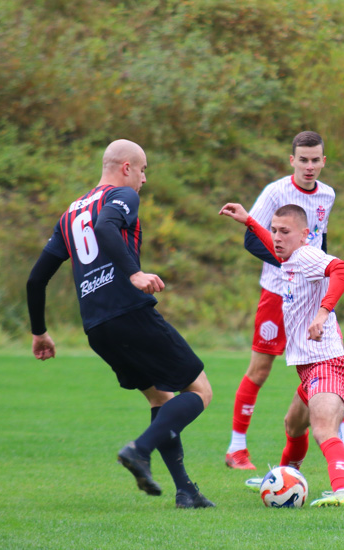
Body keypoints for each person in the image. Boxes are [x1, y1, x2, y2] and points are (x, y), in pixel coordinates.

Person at [26, 139, 215, 509]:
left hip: (97, 326)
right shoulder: (122, 197)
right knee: (200, 391)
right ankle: (139, 449)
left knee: (161, 397)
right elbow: (106, 228)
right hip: (130, 313)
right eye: (143, 170)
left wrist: (39, 331)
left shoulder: (69, 214)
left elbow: (36, 279)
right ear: (126, 167)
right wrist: (134, 273)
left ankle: (185, 491)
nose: (144, 180)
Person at [224, 131, 344, 471]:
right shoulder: (275, 192)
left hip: (312, 293)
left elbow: (319, 241)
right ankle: (236, 448)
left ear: (323, 161)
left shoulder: (328, 194)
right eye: (303, 159)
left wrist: (314, 275)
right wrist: (290, 262)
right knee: (260, 368)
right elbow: (252, 241)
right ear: (292, 160)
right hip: (277, 292)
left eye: (315, 160)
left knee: (333, 359)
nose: (309, 166)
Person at [220, 202, 344, 507]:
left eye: (284, 231)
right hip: (310, 368)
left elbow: (343, 268)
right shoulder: (290, 259)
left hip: (328, 364)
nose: (277, 237)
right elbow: (272, 245)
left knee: (323, 427)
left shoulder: (308, 255)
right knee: (293, 424)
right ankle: (286, 477)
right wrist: (249, 222)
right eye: (274, 230)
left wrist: (323, 314)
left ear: (305, 235)